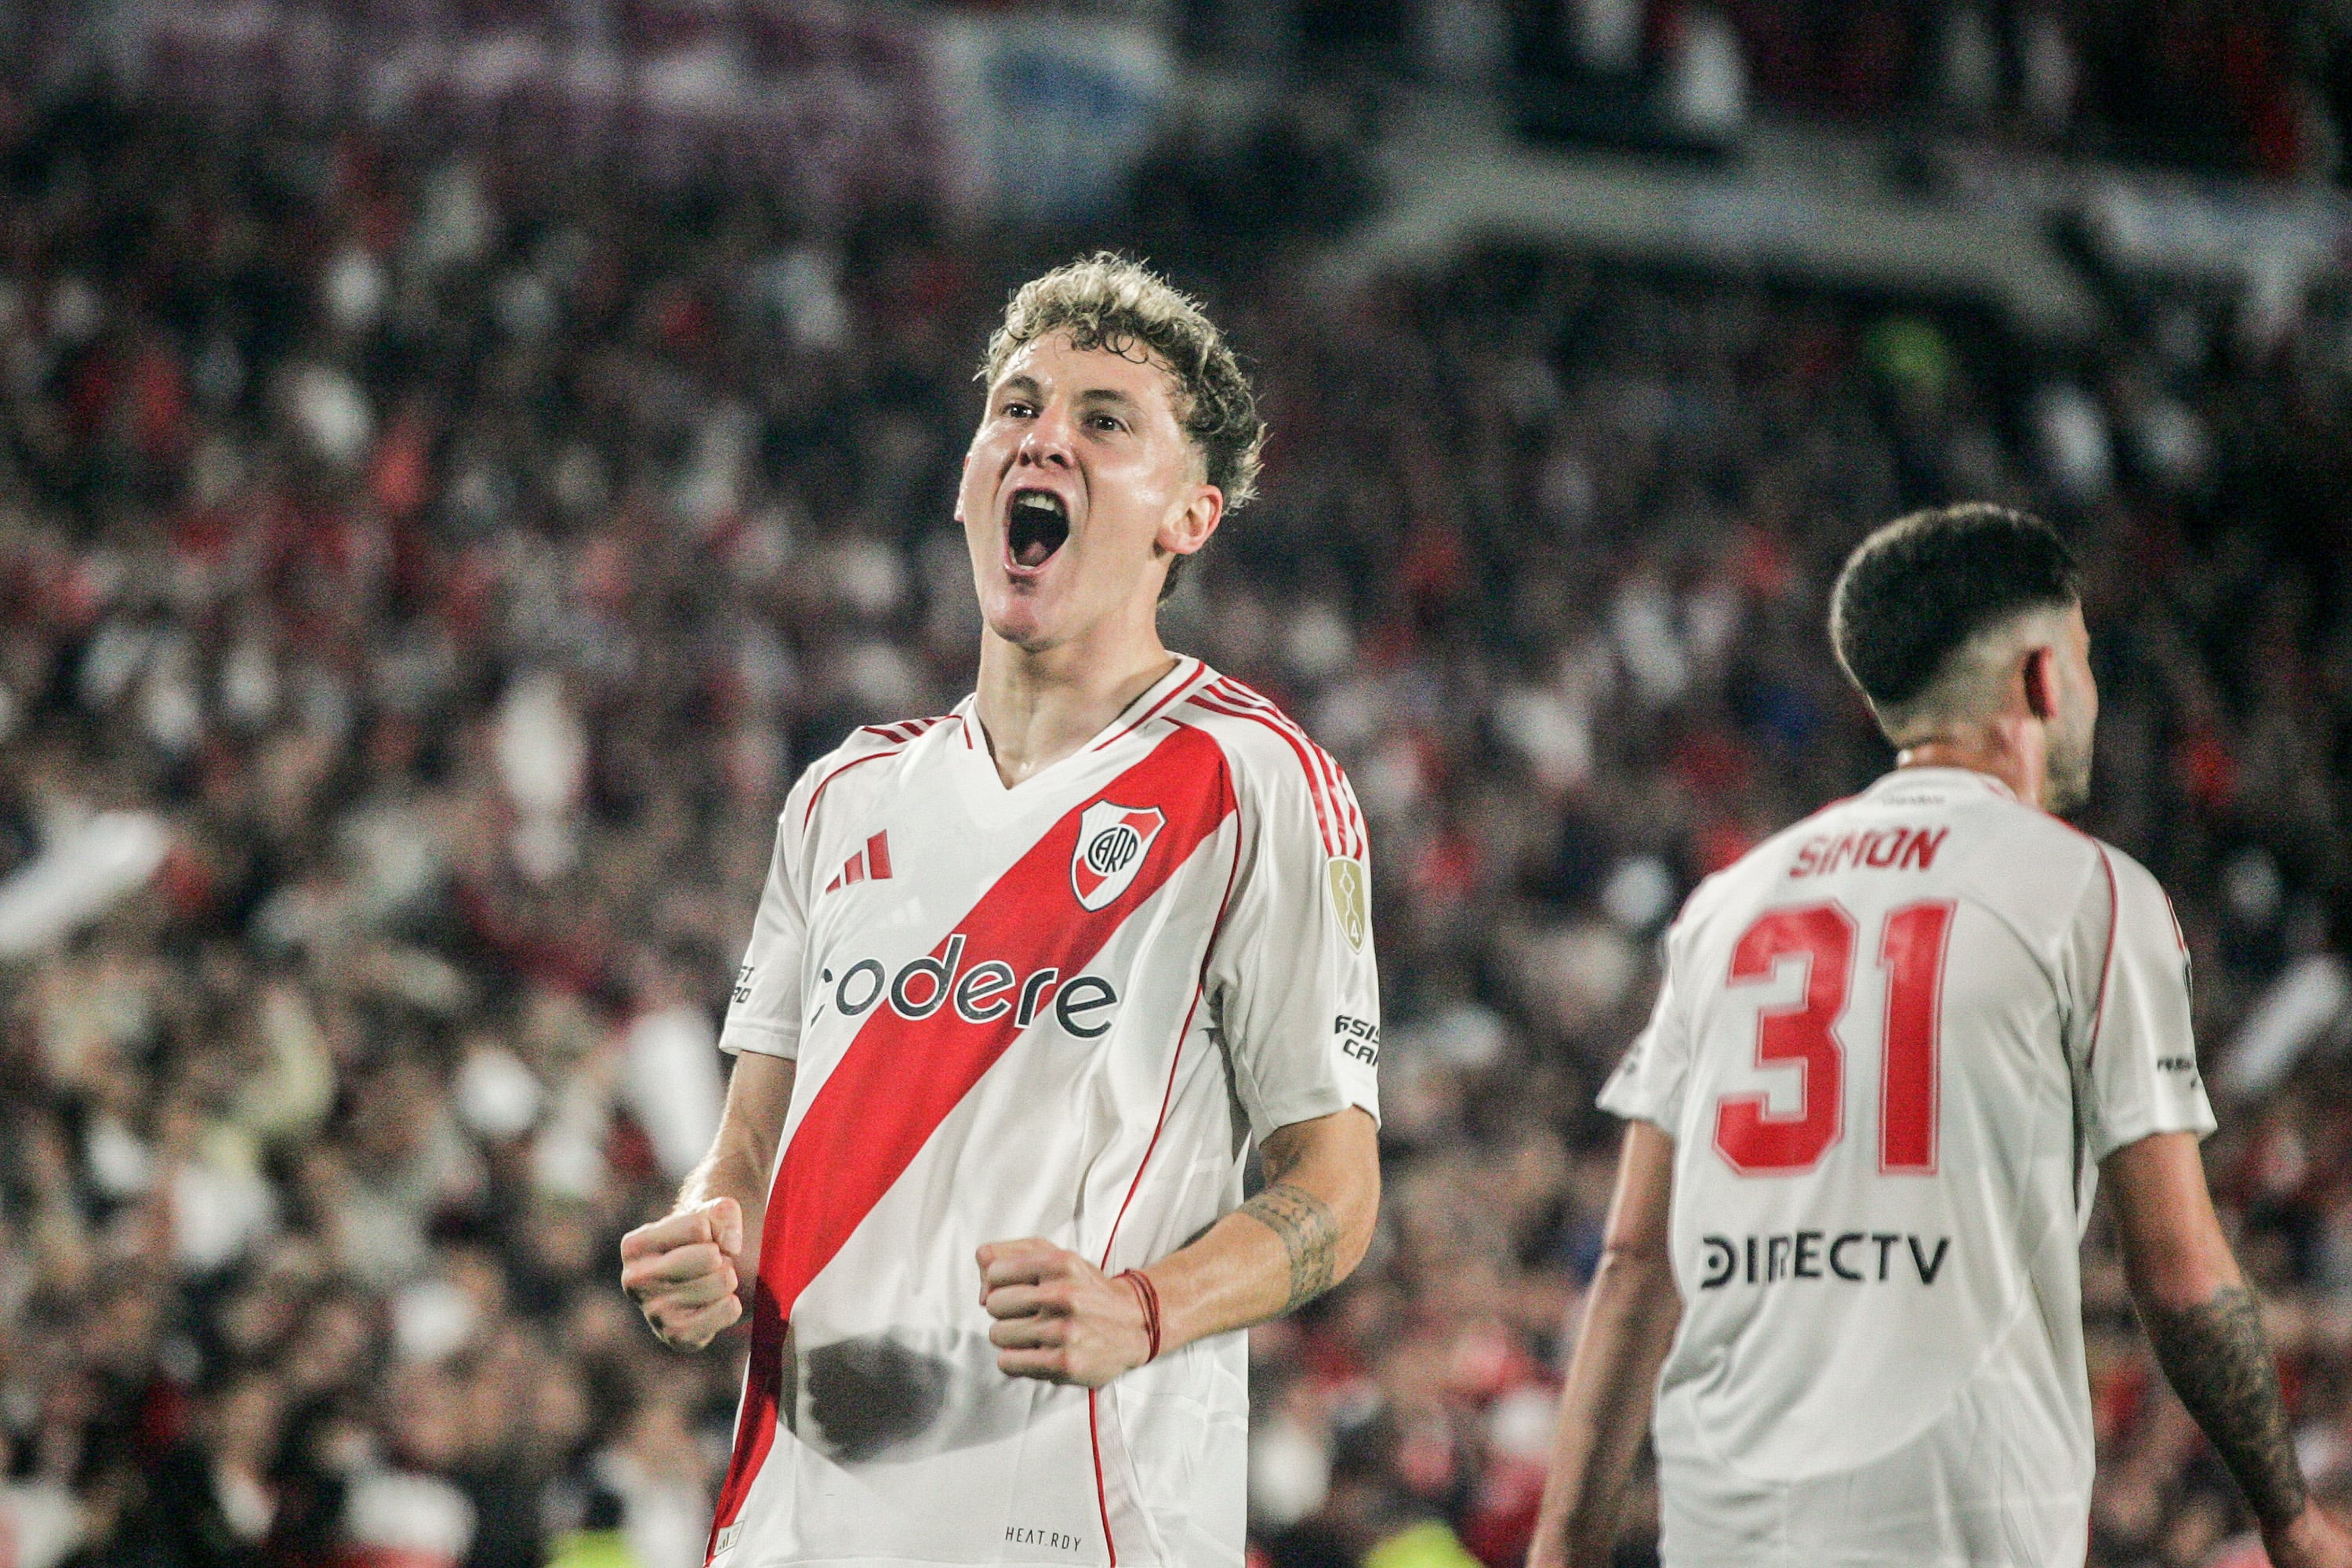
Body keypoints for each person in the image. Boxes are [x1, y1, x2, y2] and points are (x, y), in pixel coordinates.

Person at [619, 254, 1383, 1567]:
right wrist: (709, 1237)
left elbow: (1335, 1192)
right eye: (1019, 406)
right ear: (974, 479)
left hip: (1080, 1524)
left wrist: (1145, 1310)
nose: (1046, 437)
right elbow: (741, 1156)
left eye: (1105, 419)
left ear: (1188, 518)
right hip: (791, 1525)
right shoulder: (841, 795)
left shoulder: (1255, 783)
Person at [1527, 505, 2352, 1568]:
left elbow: (1639, 1260)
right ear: (2044, 679)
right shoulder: (2091, 894)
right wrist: (2290, 1519)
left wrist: (1562, 1548)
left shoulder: (1728, 905)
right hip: (1965, 1521)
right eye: (2088, 661)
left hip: (1729, 1519)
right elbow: (2183, 1275)